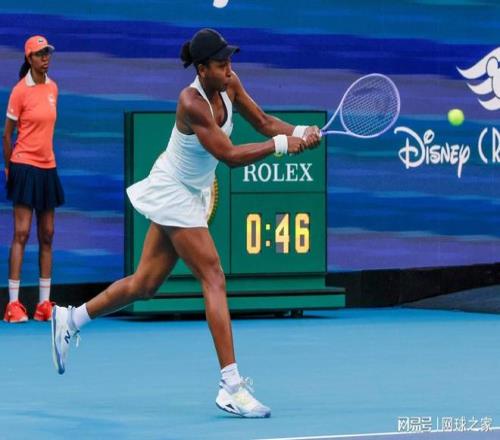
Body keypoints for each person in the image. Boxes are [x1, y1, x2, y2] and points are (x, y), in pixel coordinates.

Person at [51, 28, 320, 418]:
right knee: (214, 275)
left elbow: (262, 121)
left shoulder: (229, 84)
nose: (229, 70)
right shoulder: (190, 102)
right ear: (202, 68)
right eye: (221, 64)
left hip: (192, 192)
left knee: (144, 285)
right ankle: (231, 386)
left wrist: (298, 131)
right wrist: (281, 146)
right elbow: (229, 156)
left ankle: (70, 318)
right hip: (173, 189)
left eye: (230, 62)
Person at [3, 36, 64, 323]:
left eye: (47, 53)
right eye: (40, 54)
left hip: (48, 167)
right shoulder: (19, 92)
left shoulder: (53, 87)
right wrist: (9, 170)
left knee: (47, 234)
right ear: (29, 58)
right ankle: (13, 304)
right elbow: (7, 135)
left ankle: (43, 304)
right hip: (24, 166)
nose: (45, 57)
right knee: (22, 233)